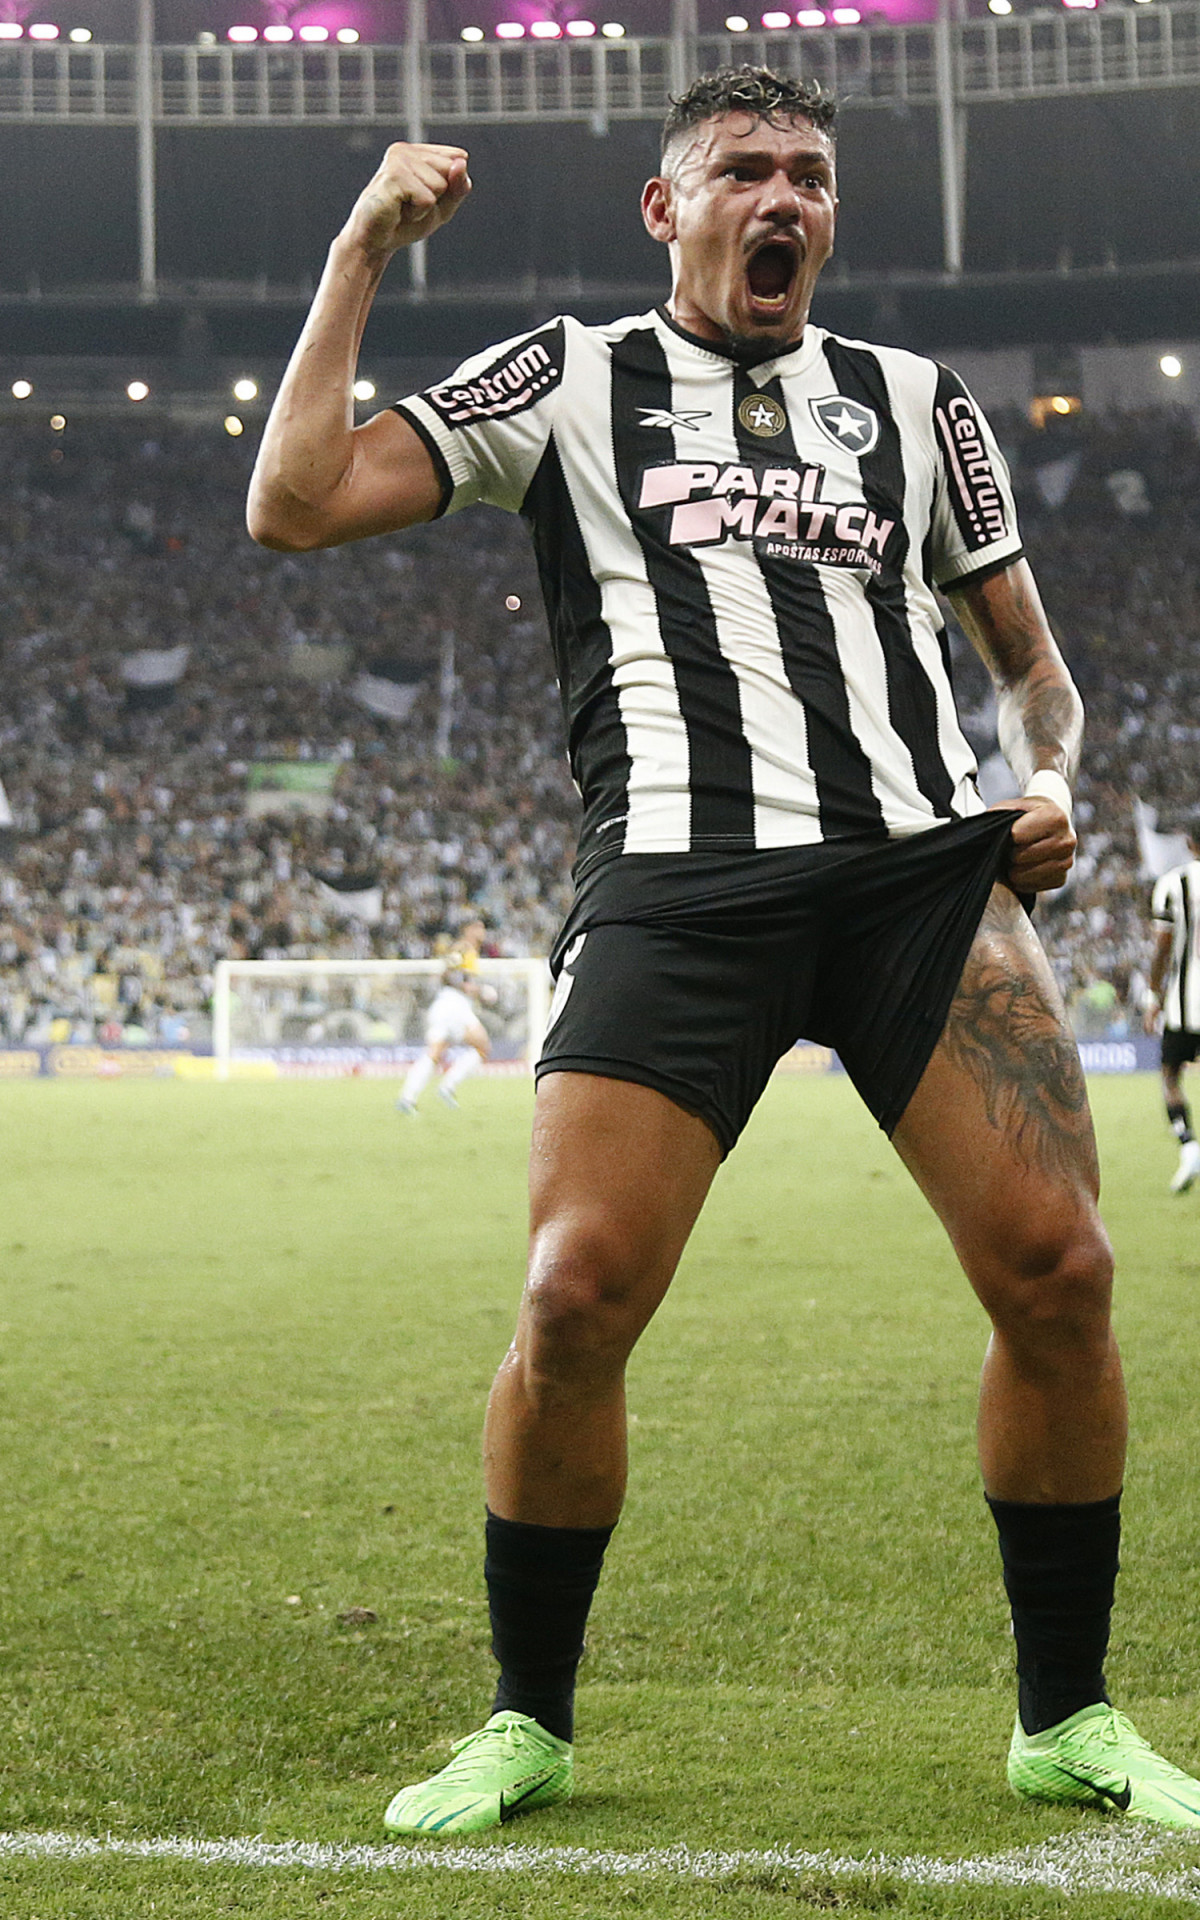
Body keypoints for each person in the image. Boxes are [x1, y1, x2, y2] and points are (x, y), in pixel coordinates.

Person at [247, 65, 1200, 1836]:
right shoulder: (567, 376)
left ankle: (1067, 1715)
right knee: (572, 1301)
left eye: (812, 176)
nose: (786, 200)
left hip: (919, 878)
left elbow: (1033, 670)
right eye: (745, 170)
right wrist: (361, 246)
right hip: (678, 889)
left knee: (1063, 1273)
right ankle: (529, 1720)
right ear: (665, 207)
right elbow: (294, 503)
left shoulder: (915, 402)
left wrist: (1053, 777)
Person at [1145, 826, 1200, 1192]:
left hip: (1186, 1003)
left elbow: (1163, 947)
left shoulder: (1173, 883)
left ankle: (1189, 1146)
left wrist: (1154, 996)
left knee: (1170, 1076)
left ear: (1190, 843)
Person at [397, 934, 492, 1113]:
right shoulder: (462, 951)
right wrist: (481, 991)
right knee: (483, 1046)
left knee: (434, 1053)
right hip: (455, 1006)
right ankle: (447, 1086)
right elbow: (453, 977)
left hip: (443, 1006)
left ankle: (407, 1097)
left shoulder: (466, 953)